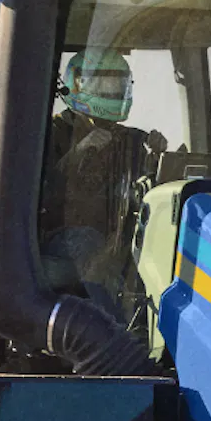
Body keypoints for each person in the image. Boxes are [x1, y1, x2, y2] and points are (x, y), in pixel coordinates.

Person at [39, 45, 168, 309]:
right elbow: (36, 195)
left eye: (116, 84)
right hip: (58, 236)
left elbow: (150, 189)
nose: (111, 91)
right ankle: (115, 337)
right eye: (104, 84)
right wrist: (77, 154)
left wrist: (159, 158)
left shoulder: (134, 140)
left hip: (118, 237)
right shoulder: (49, 132)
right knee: (89, 243)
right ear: (78, 83)